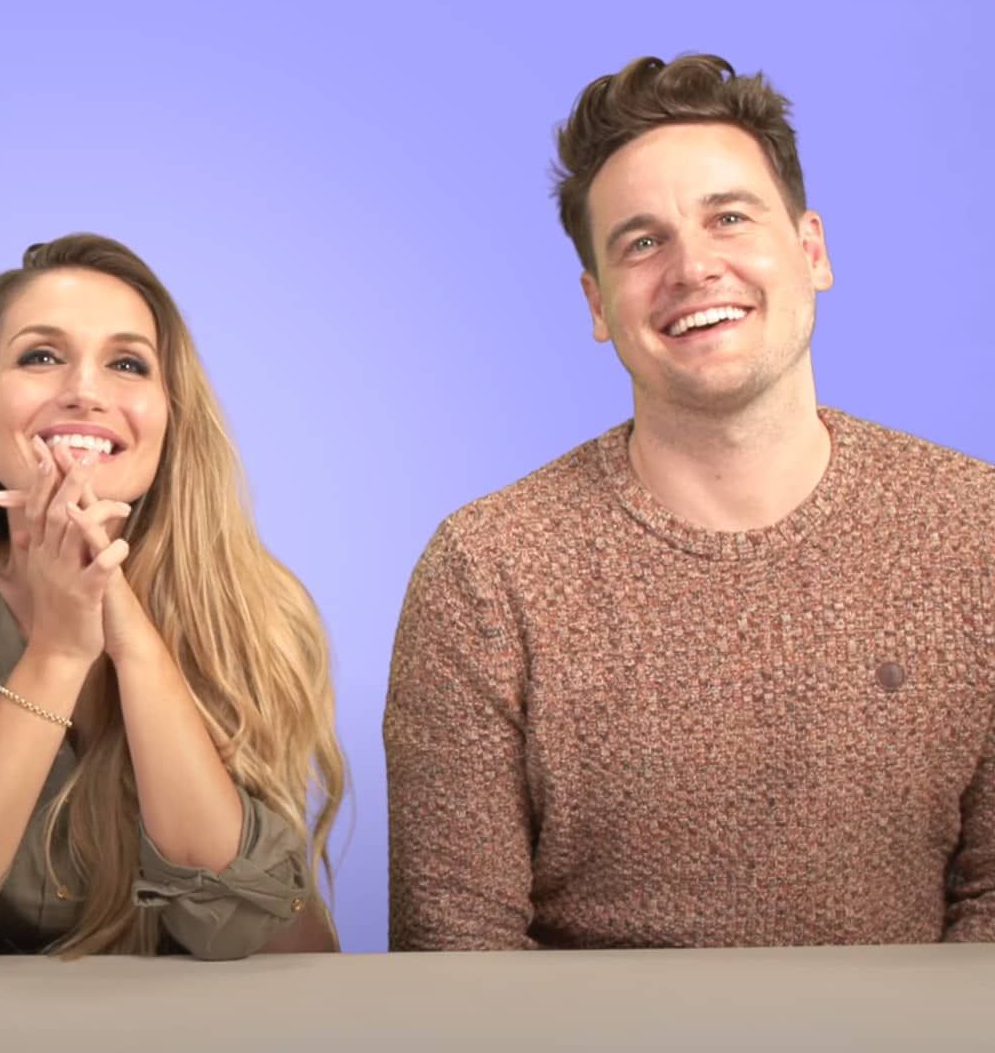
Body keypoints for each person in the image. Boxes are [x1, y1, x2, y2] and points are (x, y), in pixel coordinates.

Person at [384, 54, 995, 950]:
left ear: (812, 250)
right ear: (599, 304)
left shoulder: (972, 528)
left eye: (730, 218)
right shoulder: (488, 571)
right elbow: (457, 952)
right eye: (642, 242)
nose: (693, 267)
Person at [0, 233, 346, 965]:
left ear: (167, 420)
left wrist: (120, 622)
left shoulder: (262, 612)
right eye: (41, 356)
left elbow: (229, 920)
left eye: (128, 364)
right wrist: (61, 651)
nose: (86, 391)